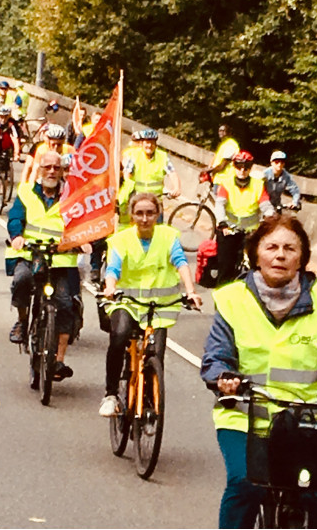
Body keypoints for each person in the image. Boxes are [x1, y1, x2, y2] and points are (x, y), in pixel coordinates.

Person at [200, 214, 317, 529]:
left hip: (307, 418)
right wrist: (223, 377)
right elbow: (217, 354)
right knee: (245, 484)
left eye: (290, 248)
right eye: (271, 246)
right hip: (245, 418)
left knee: (315, 490)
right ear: (256, 253)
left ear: (302, 257)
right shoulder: (233, 299)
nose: (280, 254)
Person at [98, 192, 203, 416]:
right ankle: (111, 394)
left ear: (157, 214)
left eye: (150, 213)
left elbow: (180, 263)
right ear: (132, 216)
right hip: (127, 302)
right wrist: (110, 287)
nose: (144, 219)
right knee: (120, 335)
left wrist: (191, 291)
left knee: (156, 354)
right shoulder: (121, 239)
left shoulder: (169, 236)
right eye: (139, 214)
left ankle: (148, 401)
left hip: (160, 306)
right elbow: (113, 269)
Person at [5, 151, 86, 381]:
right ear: (40, 169)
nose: (52, 171)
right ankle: (22, 321)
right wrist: (17, 236)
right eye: (47, 167)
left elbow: (79, 222)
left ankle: (59, 360)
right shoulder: (27, 192)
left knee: (66, 305)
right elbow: (15, 218)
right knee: (21, 281)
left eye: (56, 167)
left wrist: (82, 241)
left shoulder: (71, 195)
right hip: (31, 254)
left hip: (61, 260)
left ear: (62, 171)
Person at [213, 150, 275, 285]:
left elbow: (266, 206)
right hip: (229, 230)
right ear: (234, 167)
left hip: (250, 233)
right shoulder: (226, 183)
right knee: (225, 266)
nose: (242, 170)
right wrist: (222, 222)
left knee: (255, 267)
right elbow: (220, 204)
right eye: (239, 166)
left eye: (246, 167)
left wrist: (271, 218)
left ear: (250, 168)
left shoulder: (258, 185)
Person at [117, 129, 181, 220]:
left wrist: (177, 187)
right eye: (147, 142)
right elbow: (127, 173)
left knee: (158, 229)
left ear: (156, 145)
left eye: (152, 143)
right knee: (137, 228)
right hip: (139, 200)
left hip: (156, 200)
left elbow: (172, 173)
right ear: (142, 144)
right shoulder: (135, 156)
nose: (149, 145)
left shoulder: (162, 157)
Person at [206, 124, 239, 188]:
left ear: (229, 132)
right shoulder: (223, 143)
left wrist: (211, 171)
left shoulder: (231, 144)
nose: (221, 132)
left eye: (223, 130)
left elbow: (224, 164)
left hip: (226, 179)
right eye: (219, 131)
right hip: (219, 178)